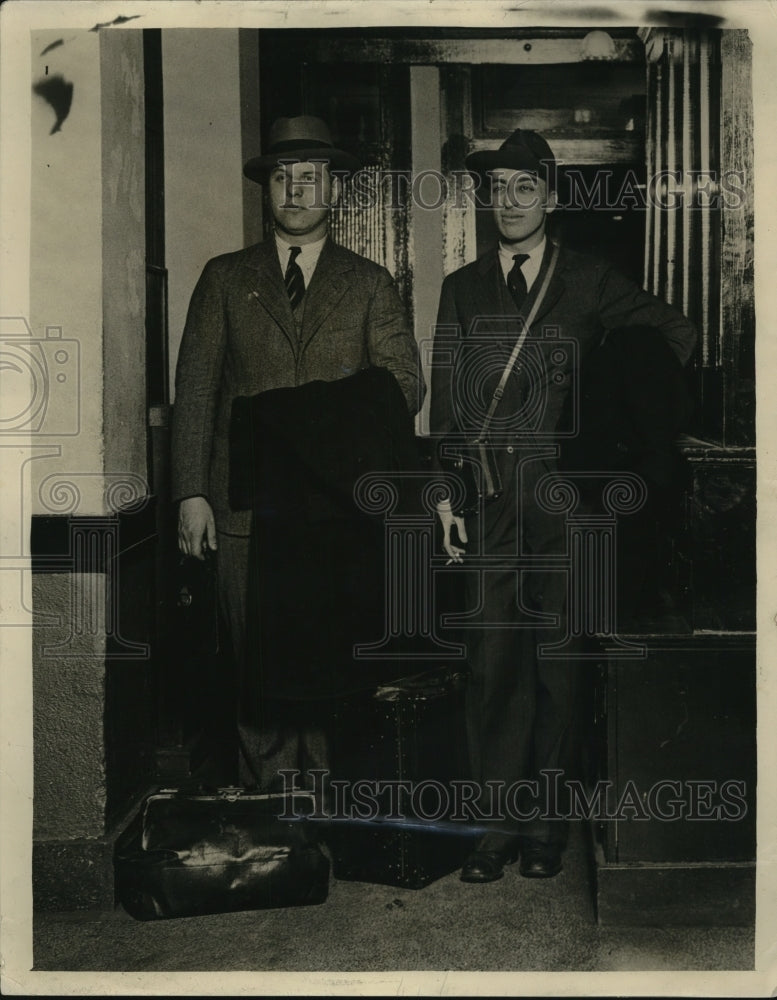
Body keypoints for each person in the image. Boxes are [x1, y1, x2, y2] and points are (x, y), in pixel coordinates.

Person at [430, 128, 696, 883]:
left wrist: (616, 428)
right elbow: (451, 412)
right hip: (485, 498)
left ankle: (545, 825)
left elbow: (673, 334)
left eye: (524, 188)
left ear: (549, 196)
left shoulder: (587, 279)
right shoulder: (461, 286)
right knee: (490, 663)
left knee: (557, 663)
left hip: (562, 498)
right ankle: (493, 828)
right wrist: (447, 498)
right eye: (497, 188)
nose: (509, 202)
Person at [171, 115, 424, 787]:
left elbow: (404, 385)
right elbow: (194, 390)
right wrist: (190, 494)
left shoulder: (369, 282)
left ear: (333, 191)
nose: (295, 191)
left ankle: (328, 809)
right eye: (283, 177)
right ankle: (273, 817)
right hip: (244, 509)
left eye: (310, 178)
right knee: (257, 666)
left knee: (327, 655)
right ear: (266, 190)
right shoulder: (224, 278)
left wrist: (307, 423)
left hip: (333, 509)